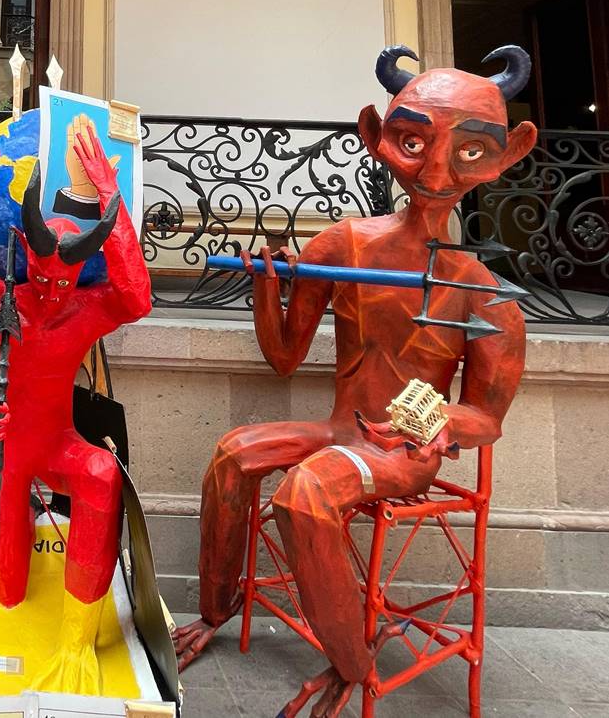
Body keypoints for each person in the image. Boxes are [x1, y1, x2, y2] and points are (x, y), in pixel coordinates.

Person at [173, 45, 535, 717]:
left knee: (304, 494)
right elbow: (284, 358)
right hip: (343, 432)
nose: (432, 169)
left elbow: (485, 417)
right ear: (374, 136)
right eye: (411, 141)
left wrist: (434, 423)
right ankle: (213, 611)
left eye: (468, 152)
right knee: (232, 455)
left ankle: (350, 663)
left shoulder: (486, 296)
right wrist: (266, 292)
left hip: (400, 454)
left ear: (508, 153)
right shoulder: (341, 246)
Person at [0, 124, 151, 694]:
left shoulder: (85, 308)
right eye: (44, 277)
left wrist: (110, 194)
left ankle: (75, 640)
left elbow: (137, 297)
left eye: (66, 281)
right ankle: (15, 612)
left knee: (101, 473)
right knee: (7, 589)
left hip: (57, 441)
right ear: (27, 259)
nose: (54, 292)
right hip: (7, 449)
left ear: (80, 274)